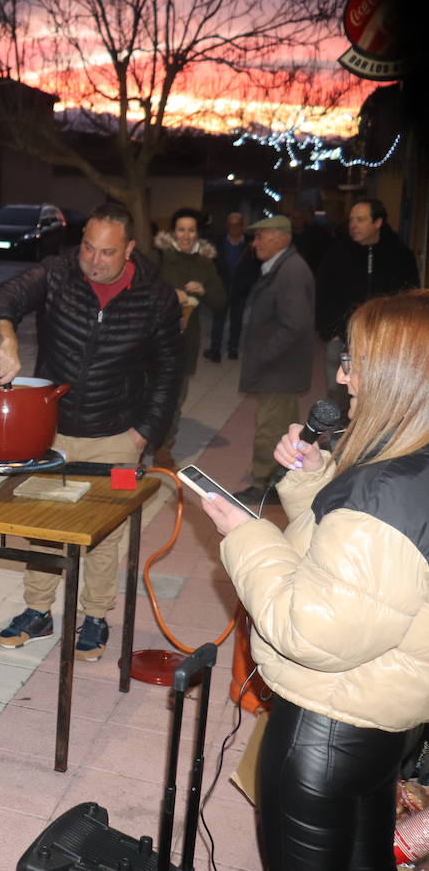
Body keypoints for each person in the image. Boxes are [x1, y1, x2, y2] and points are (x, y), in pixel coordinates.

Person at [200, 290, 429, 870]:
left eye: (354, 363)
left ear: (399, 378)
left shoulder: (384, 494)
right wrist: (312, 482)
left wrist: (244, 534)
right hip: (378, 721)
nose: (345, 377)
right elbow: (354, 566)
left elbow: (313, 631)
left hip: (326, 731)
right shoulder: (407, 471)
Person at [0, 203, 183, 661]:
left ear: (129, 249)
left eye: (107, 252)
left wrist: (143, 434)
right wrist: (8, 339)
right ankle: (38, 611)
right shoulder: (56, 274)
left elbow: (171, 372)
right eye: (88, 248)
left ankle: (94, 617)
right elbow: (0, 299)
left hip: (117, 436)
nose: (94, 261)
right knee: (41, 522)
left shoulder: (155, 296)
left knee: (105, 532)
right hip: (50, 433)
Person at [233, 216, 315, 506]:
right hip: (280, 368)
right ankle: (274, 480)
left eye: (261, 237)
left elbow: (295, 324)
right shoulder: (282, 267)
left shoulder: (290, 270)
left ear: (282, 237)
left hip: (279, 369)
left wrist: (264, 355)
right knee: (278, 425)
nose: (255, 243)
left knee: (272, 428)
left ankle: (265, 485)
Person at [315, 197, 420, 414]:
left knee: (378, 397)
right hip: (342, 339)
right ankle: (338, 441)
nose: (353, 225)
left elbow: (411, 299)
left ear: (378, 222)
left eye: (361, 220)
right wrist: (331, 332)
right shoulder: (337, 254)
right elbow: (323, 293)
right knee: (338, 396)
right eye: (352, 220)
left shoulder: (400, 255)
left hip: (385, 342)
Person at [152, 207, 227, 470]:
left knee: (175, 398)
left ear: (198, 234)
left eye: (191, 230)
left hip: (185, 343)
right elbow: (141, 290)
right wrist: (169, 294)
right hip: (153, 340)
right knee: (149, 393)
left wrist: (204, 291)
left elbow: (221, 303)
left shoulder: (205, 263)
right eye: (181, 229)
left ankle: (163, 447)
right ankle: (142, 440)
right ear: (173, 232)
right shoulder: (159, 257)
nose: (186, 235)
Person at [203, 212, 257, 363]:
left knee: (237, 320)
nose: (234, 228)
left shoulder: (250, 244)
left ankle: (233, 348)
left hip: (240, 290)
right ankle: (215, 350)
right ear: (227, 226)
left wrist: (248, 284)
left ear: (242, 226)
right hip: (221, 288)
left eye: (237, 225)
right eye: (231, 225)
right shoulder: (218, 242)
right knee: (218, 319)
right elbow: (211, 265)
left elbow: (255, 267)